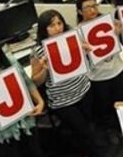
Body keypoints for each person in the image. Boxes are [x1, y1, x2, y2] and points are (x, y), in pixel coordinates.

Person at [30, 10, 100, 157]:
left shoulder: (72, 37)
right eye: (52, 26)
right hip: (63, 101)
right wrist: (45, 69)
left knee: (89, 126)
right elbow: (36, 81)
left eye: (59, 23)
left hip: (84, 89)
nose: (57, 28)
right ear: (44, 29)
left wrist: (86, 51)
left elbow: (85, 60)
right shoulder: (38, 51)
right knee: (84, 132)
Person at [0, 34, 46, 157]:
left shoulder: (10, 63)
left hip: (25, 124)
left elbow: (27, 82)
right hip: (0, 134)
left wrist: (40, 101)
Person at [76, 0, 123, 128]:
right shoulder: (77, 32)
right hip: (99, 78)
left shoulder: (108, 22)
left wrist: (118, 33)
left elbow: (120, 44)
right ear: (80, 11)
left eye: (94, 5)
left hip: (117, 70)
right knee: (107, 111)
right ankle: (113, 131)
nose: (93, 10)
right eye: (87, 7)